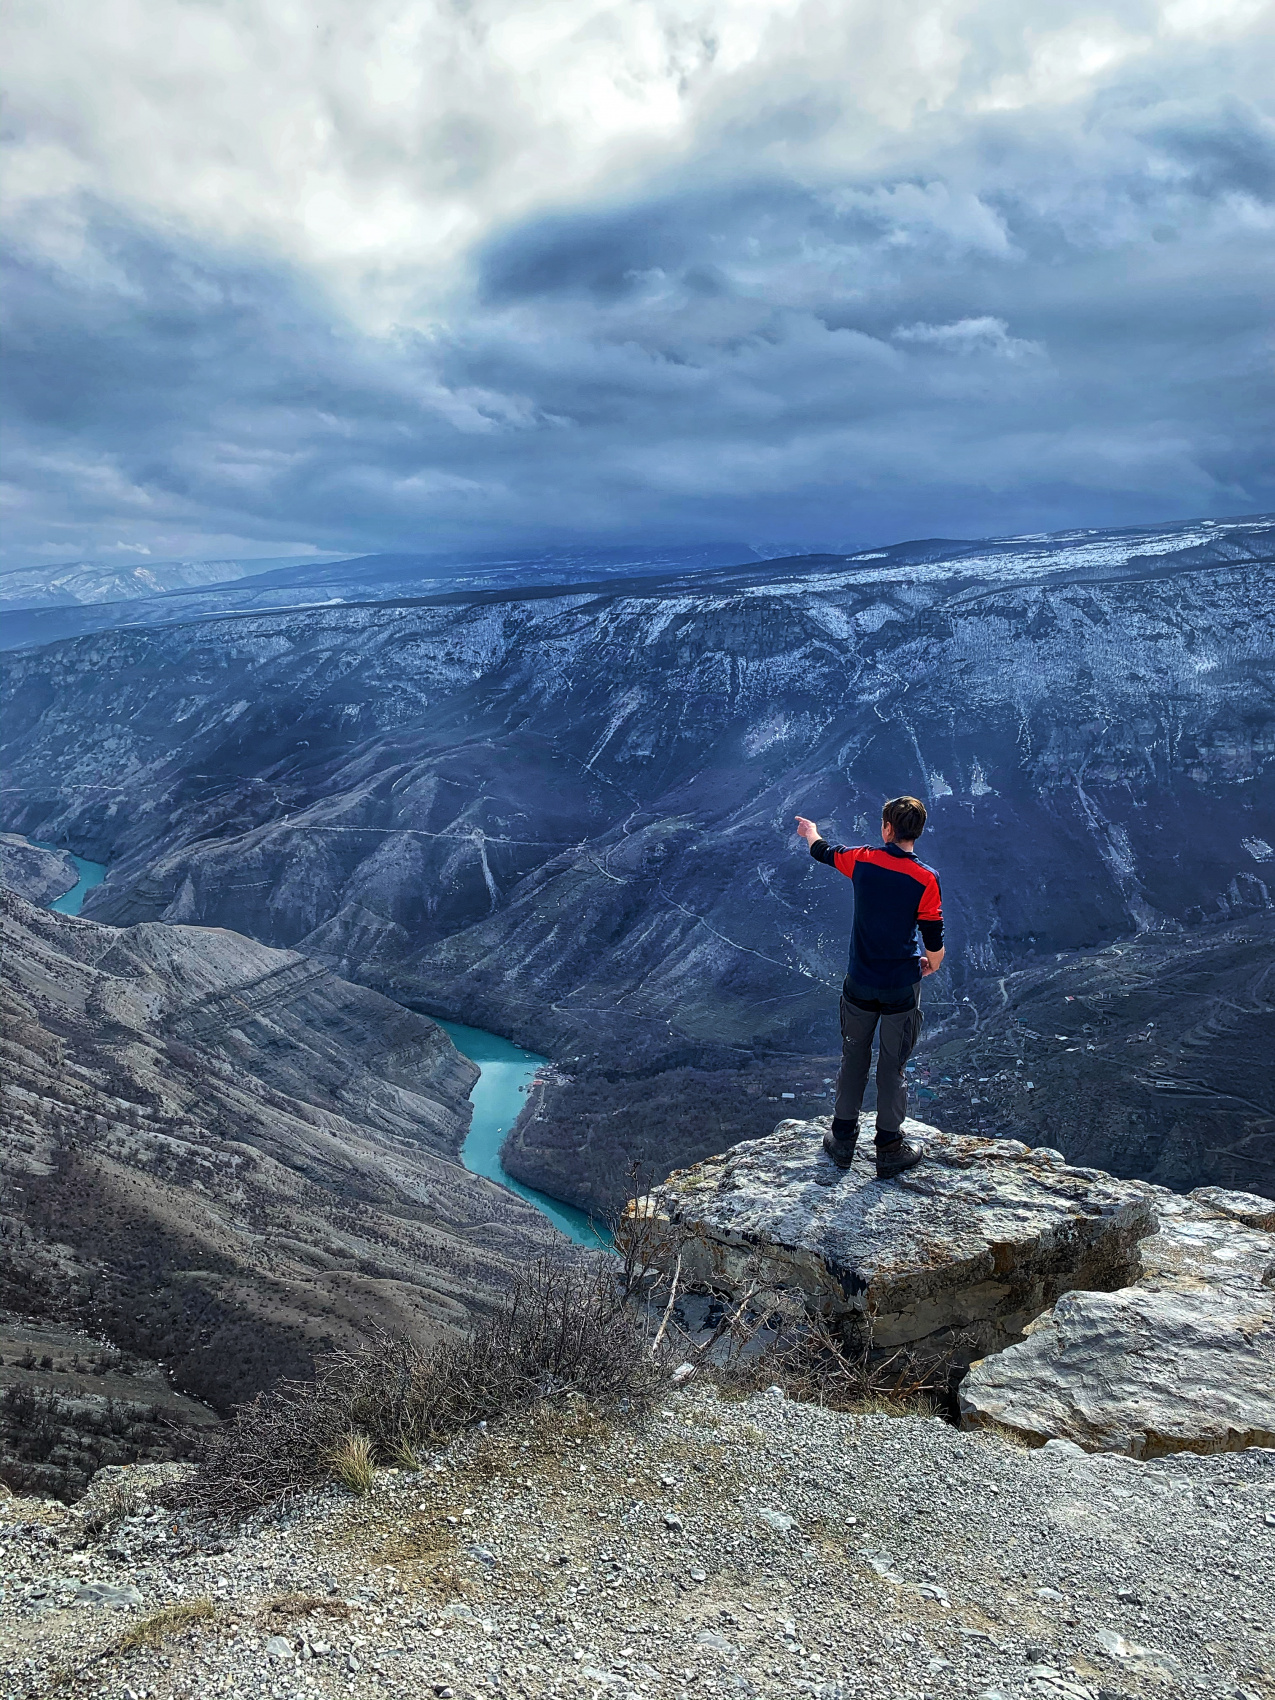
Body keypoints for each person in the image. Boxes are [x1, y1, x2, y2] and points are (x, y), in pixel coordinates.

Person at [794, 796, 944, 1180]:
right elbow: (933, 936)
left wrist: (810, 831)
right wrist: (932, 964)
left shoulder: (863, 860)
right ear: (918, 832)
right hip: (900, 985)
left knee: (854, 1056)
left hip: (859, 980)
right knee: (892, 1065)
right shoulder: (926, 878)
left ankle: (842, 1139)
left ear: (887, 829)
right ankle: (889, 1147)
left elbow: (823, 851)